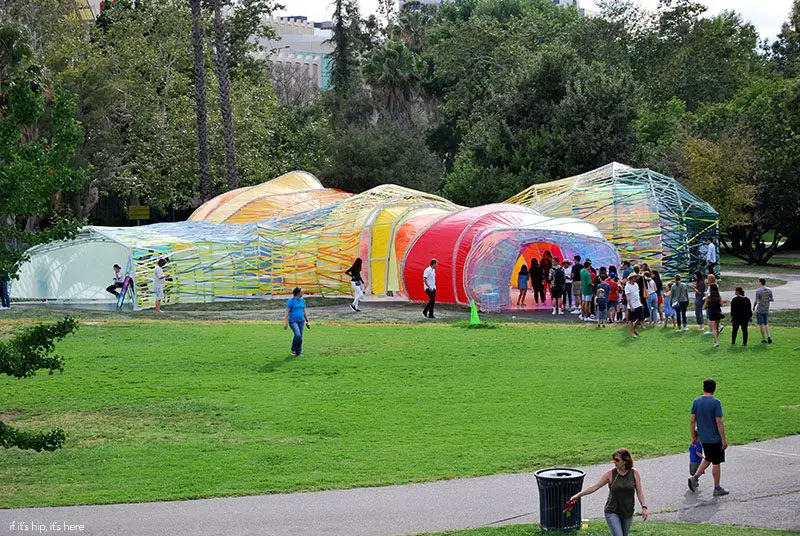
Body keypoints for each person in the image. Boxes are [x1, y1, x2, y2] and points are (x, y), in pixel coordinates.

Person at [570, 448, 648, 536]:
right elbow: (595, 486)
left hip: (627, 512)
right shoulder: (610, 474)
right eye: (614, 460)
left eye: (617, 460)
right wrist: (578, 495)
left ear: (625, 461)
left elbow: (639, 492)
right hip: (612, 511)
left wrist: (644, 507)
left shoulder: (634, 473)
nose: (615, 462)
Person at [689, 378, 729, 496]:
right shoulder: (716, 402)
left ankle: (695, 477)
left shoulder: (696, 402)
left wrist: (694, 436)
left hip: (704, 438)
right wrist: (723, 439)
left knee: (708, 458)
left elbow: (692, 421)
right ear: (714, 389)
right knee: (716, 462)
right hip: (715, 438)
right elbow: (719, 422)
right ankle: (717, 488)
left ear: (703, 388)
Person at [283, 287, 310, 356]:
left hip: (301, 321)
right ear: (297, 293)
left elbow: (304, 311)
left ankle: (299, 352)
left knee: (300, 337)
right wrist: (285, 322)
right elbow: (287, 312)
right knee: (298, 335)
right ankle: (293, 349)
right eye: (301, 292)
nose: (303, 293)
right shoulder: (291, 300)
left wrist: (307, 321)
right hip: (293, 321)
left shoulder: (302, 300)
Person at [753, 278, 774, 344]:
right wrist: (767, 299)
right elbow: (772, 299)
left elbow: (756, 301)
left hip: (760, 309)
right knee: (766, 323)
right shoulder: (769, 290)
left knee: (761, 324)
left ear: (760, 282)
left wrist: (753, 307)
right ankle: (769, 336)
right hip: (766, 308)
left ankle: (764, 338)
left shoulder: (758, 291)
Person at [704, 283, 725, 348]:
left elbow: (704, 307)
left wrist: (706, 301)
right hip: (718, 313)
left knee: (713, 329)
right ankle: (715, 340)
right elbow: (721, 304)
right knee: (717, 327)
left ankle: (716, 341)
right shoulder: (718, 297)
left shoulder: (708, 297)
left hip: (712, 313)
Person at [624, 274, 642, 338]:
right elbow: (628, 297)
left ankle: (634, 329)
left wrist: (640, 302)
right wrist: (631, 306)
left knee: (640, 318)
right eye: (634, 277)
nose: (635, 278)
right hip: (632, 305)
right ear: (631, 278)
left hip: (638, 304)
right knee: (631, 320)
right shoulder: (627, 286)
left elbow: (638, 294)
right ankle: (632, 333)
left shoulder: (636, 284)